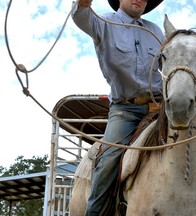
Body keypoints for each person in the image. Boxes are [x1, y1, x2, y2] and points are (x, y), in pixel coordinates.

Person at [72, 0, 164, 215]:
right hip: (126, 109)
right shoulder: (104, 22)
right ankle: (95, 212)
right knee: (109, 159)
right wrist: (82, 3)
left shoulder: (155, 30)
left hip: (161, 106)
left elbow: (168, 64)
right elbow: (81, 16)